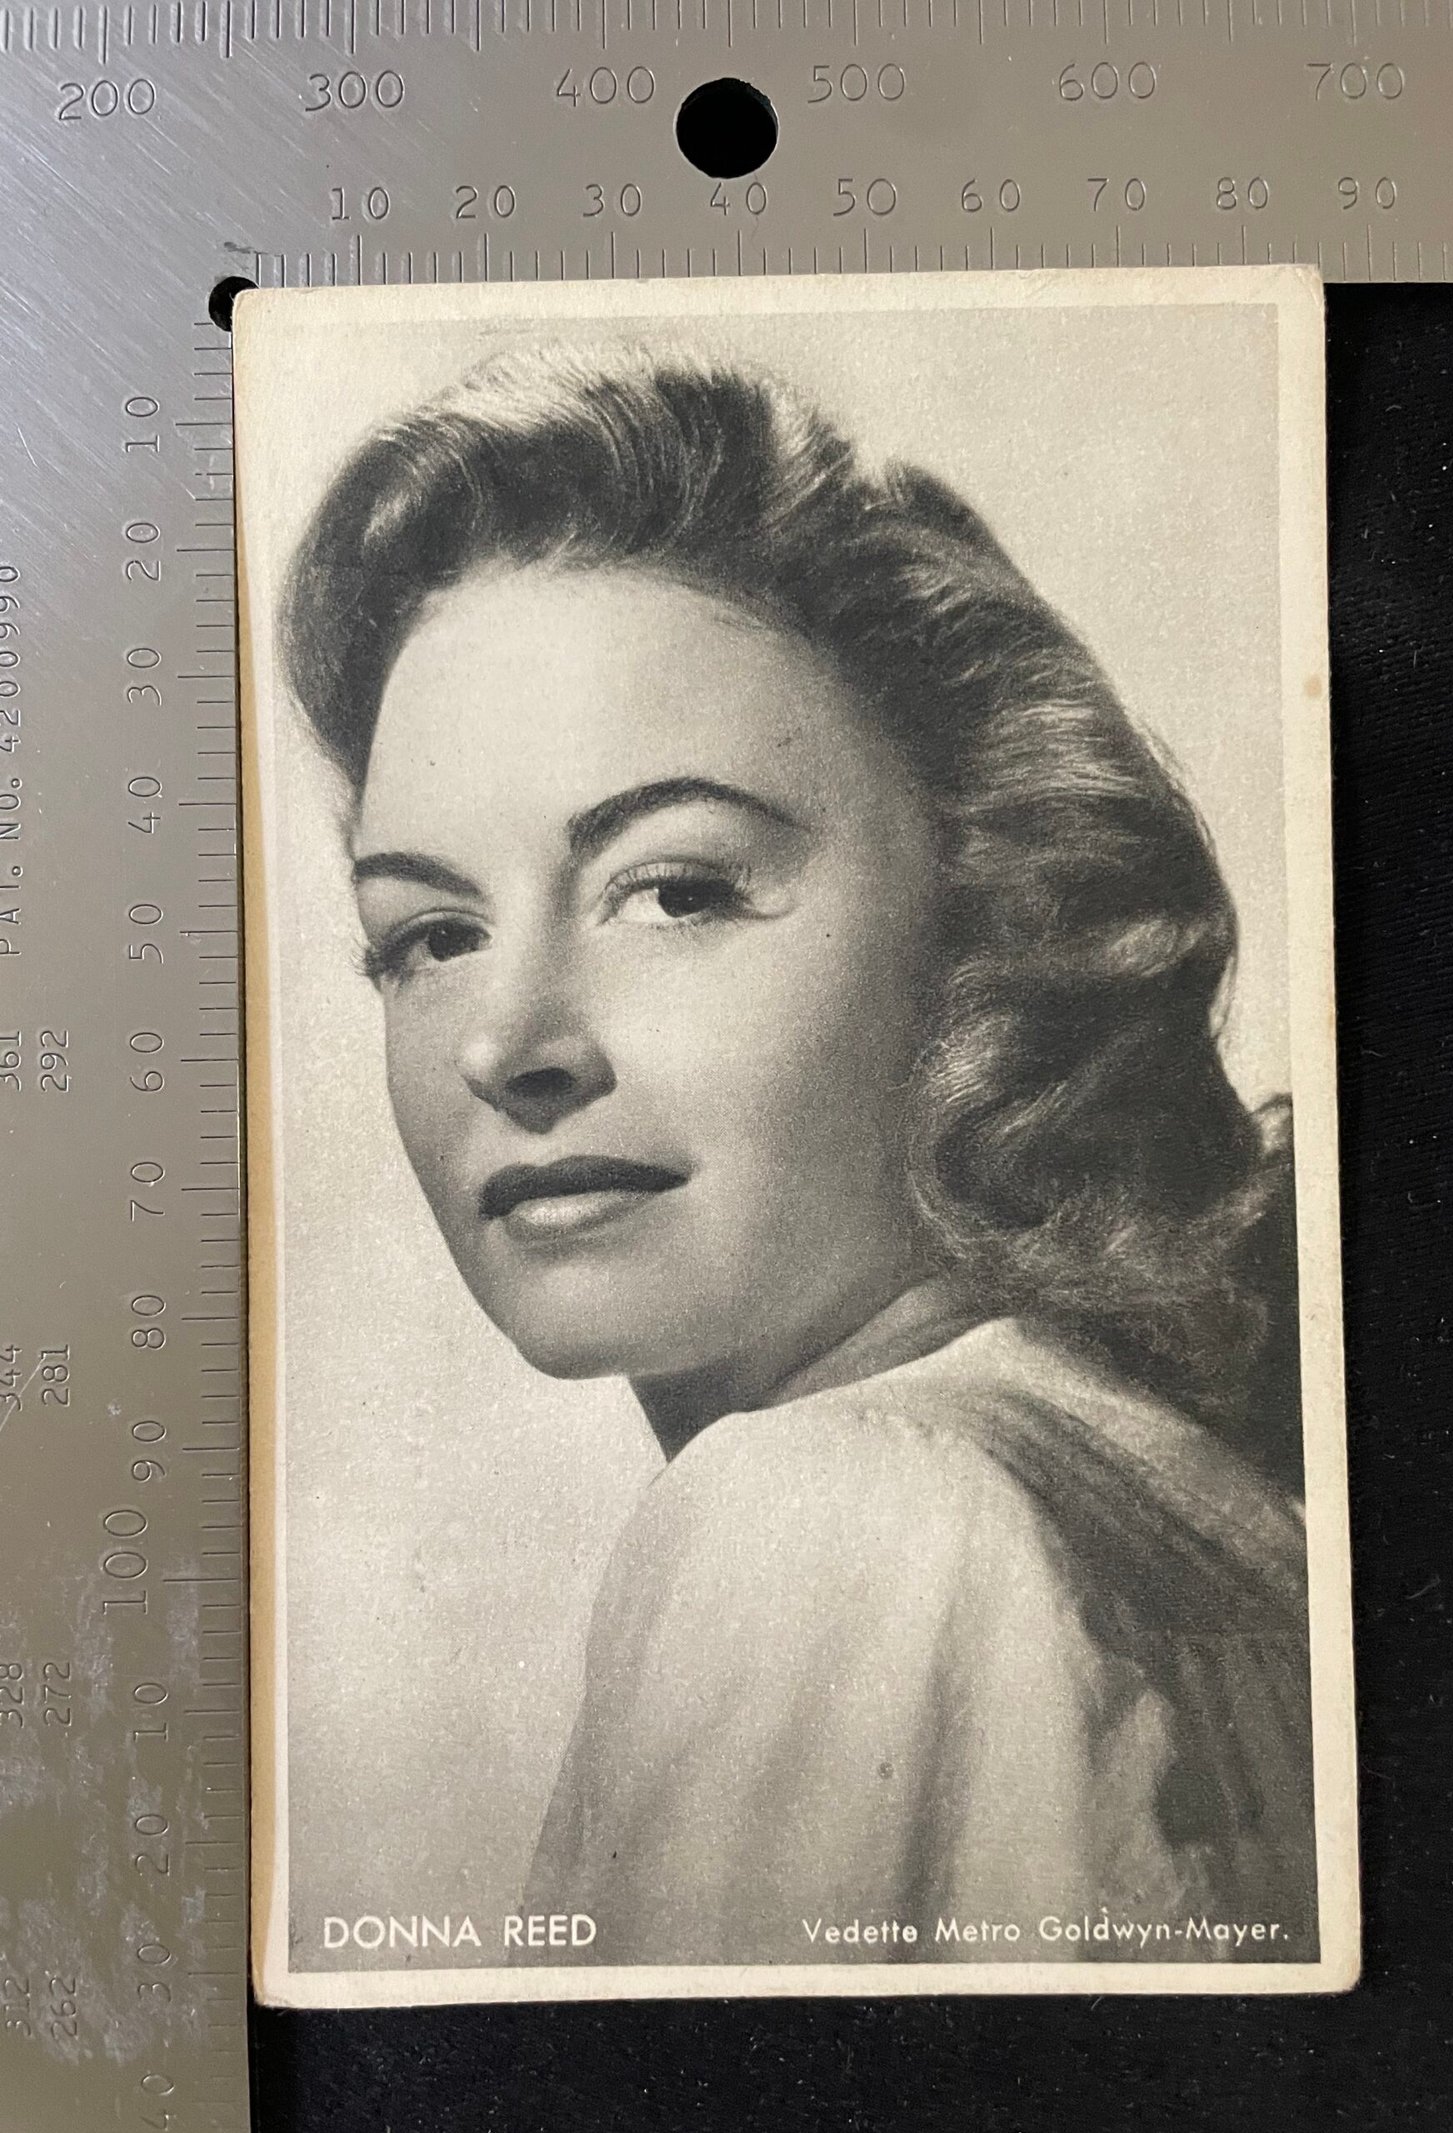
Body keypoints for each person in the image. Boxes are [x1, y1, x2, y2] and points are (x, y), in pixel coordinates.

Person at [278, 344, 1316, 1966]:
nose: (508, 1041)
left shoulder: (828, 1517)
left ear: (991, 911)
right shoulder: (1209, 1517)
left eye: (677, 889)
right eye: (431, 934)